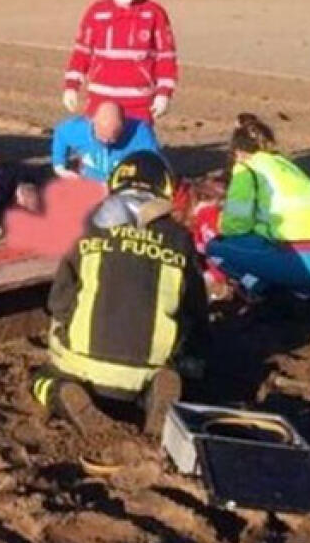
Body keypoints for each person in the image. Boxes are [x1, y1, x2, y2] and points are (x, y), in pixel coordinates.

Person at [32, 151, 208, 436]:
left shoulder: (87, 226)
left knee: (40, 380)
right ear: (164, 189)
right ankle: (157, 393)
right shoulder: (179, 238)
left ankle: (63, 390)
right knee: (179, 365)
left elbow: (58, 300)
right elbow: (196, 310)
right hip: (149, 367)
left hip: (85, 364)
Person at [206, 114, 310, 302]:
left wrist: (218, 223)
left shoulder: (247, 168)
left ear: (238, 152)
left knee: (216, 249)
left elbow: (236, 225)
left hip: (299, 260)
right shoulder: (288, 166)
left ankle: (262, 291)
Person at [62, 0, 179, 124]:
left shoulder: (154, 13)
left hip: (139, 102)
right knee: (98, 147)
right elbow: (82, 53)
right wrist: (71, 86)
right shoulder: (96, 13)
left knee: (139, 149)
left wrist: (164, 94)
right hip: (100, 100)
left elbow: (166, 57)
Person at [51, 100, 163, 182]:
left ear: (124, 125)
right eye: (101, 137)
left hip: (124, 188)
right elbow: (61, 134)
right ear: (93, 121)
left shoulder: (140, 132)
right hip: (89, 185)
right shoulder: (77, 129)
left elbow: (153, 162)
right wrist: (60, 167)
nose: (106, 142)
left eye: (112, 139)